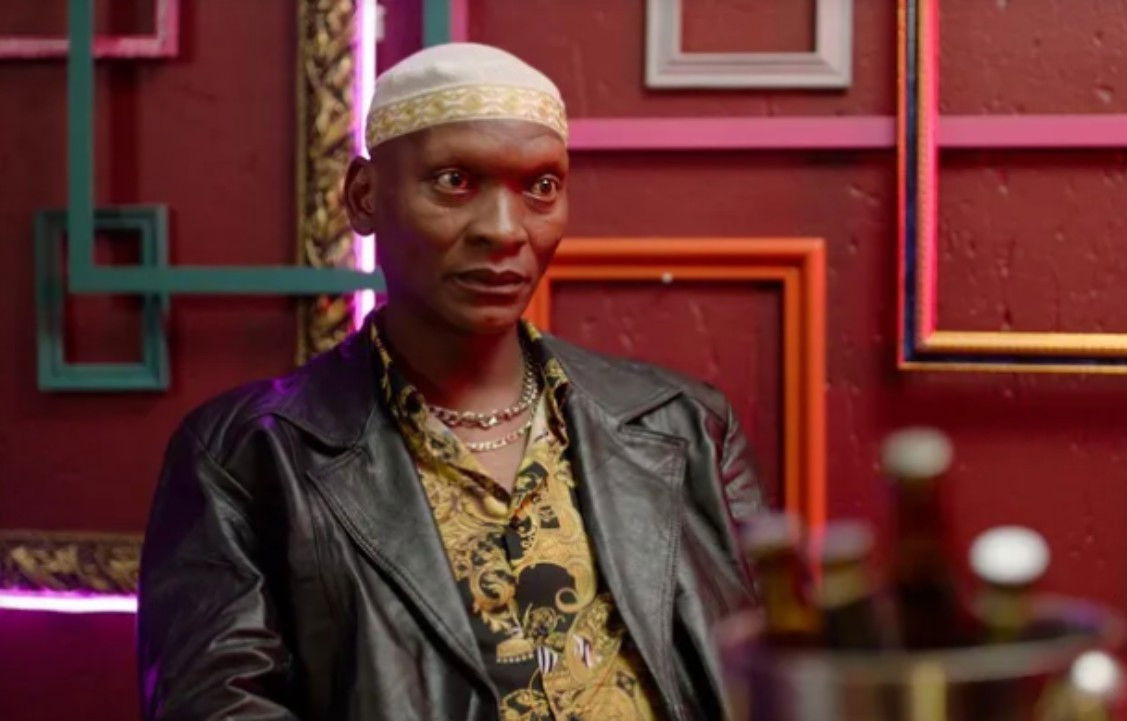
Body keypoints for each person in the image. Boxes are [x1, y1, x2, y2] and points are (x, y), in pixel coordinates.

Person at [137, 42, 762, 721]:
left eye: (541, 187)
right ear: (364, 196)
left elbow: (777, 674)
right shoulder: (248, 455)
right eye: (455, 181)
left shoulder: (684, 425)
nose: (504, 230)